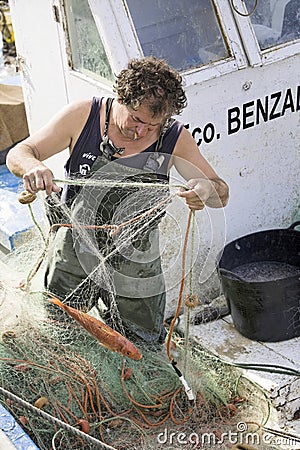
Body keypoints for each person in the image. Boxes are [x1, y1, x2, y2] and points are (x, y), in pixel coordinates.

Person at [6, 56, 229, 346]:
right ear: (120, 98)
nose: (141, 132)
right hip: (75, 244)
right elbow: (20, 153)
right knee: (56, 325)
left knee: (141, 342)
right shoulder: (84, 115)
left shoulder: (175, 138)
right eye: (136, 119)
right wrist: (33, 167)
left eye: (153, 126)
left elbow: (221, 193)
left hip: (138, 258)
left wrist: (205, 188)